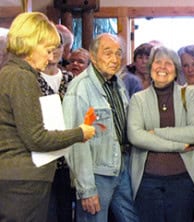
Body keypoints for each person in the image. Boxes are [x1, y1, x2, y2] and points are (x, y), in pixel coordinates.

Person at [0, 12, 95, 222]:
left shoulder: (9, 72)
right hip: (23, 182)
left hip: (15, 177)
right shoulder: (22, 76)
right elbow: (36, 138)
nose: (52, 56)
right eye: (47, 49)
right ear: (31, 43)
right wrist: (80, 133)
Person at [62, 33, 139, 222]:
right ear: (93, 57)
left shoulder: (117, 83)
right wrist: (86, 189)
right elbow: (75, 143)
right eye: (108, 53)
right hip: (95, 174)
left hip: (120, 167)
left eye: (118, 54)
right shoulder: (79, 88)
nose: (114, 59)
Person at [127, 46, 194, 222]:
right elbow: (135, 136)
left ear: (176, 70)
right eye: (158, 62)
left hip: (183, 182)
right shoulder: (138, 99)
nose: (162, 67)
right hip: (146, 182)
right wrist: (177, 145)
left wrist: (156, 133)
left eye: (168, 64)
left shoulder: (190, 95)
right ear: (151, 67)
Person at [37, 29, 76, 222]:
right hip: (39, 160)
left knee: (65, 214)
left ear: (64, 49)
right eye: (48, 45)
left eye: (58, 45)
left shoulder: (72, 80)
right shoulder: (29, 79)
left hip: (68, 161)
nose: (54, 50)